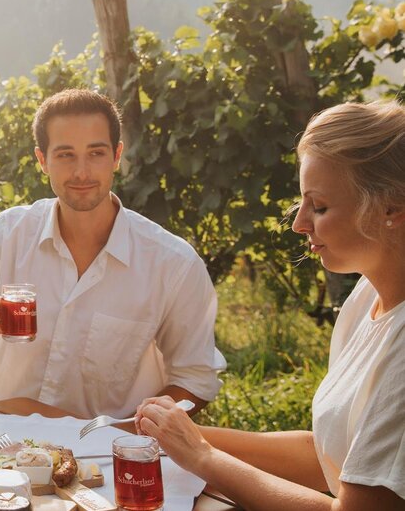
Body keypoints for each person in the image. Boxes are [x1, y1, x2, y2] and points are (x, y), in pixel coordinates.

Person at [137, 100, 405, 510]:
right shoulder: (367, 297)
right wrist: (170, 433)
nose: (299, 223)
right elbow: (328, 456)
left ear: (391, 207)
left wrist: (203, 456)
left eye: (319, 206)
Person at [0, 88, 224, 419]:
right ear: (42, 160)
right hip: (9, 441)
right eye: (65, 155)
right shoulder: (8, 234)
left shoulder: (173, 264)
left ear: (117, 156)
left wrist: (131, 431)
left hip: (109, 444)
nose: (81, 172)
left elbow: (195, 379)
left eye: (96, 153)